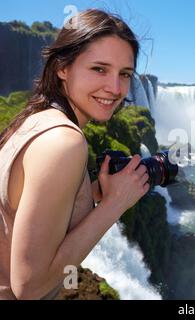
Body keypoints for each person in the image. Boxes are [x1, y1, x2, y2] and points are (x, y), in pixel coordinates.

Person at [0, 9, 150, 300]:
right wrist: (114, 205)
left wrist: (91, 194)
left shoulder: (36, 119)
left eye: (125, 74)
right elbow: (29, 288)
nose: (115, 88)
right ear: (63, 68)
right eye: (99, 69)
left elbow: (22, 208)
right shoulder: (65, 142)